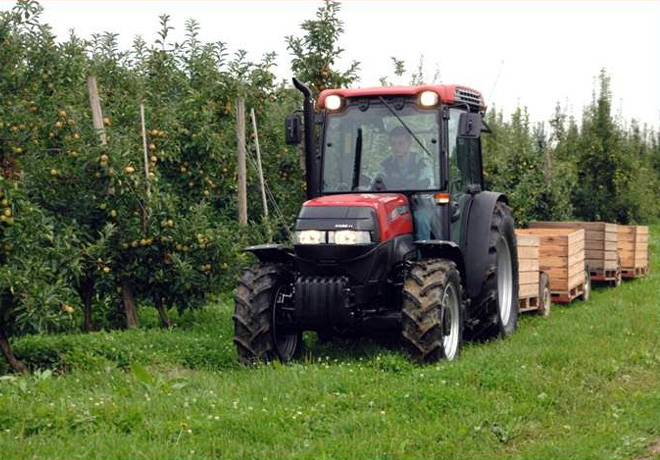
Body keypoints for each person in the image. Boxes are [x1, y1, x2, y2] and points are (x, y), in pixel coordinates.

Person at [373, 126, 436, 240]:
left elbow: (428, 184)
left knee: (421, 220)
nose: (396, 147)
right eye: (393, 144)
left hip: (417, 205)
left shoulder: (421, 164)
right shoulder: (385, 165)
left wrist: (421, 188)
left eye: (400, 143)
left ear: (409, 143)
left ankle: (423, 252)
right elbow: (375, 182)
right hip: (393, 205)